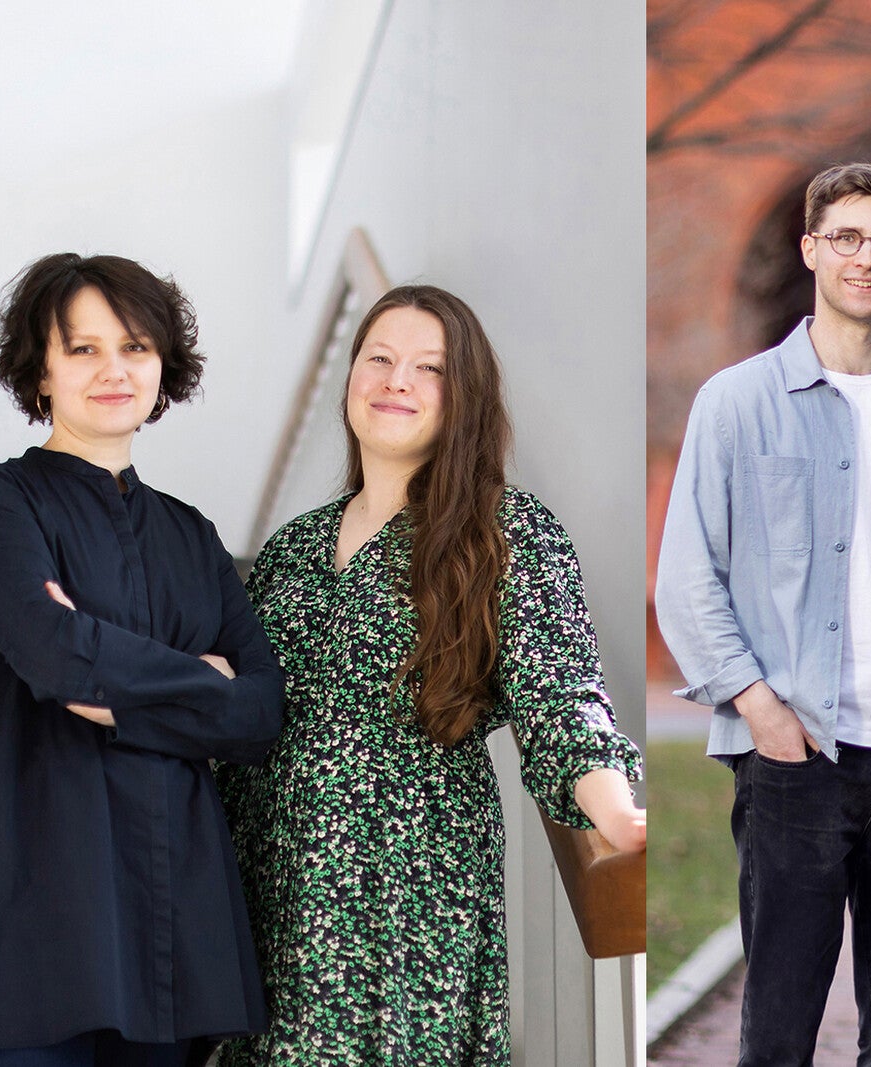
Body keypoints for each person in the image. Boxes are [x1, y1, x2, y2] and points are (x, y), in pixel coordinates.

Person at [214, 284, 644, 1066]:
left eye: (429, 367)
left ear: (465, 395)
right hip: (273, 886)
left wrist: (614, 808)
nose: (396, 380)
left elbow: (560, 692)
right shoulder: (289, 550)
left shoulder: (505, 531)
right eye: (378, 357)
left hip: (409, 891)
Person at [655, 161, 871, 1066]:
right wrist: (761, 710)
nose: (865, 256)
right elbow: (690, 576)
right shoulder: (738, 401)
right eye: (846, 237)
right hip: (796, 754)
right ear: (810, 248)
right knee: (781, 1028)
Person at [0, 253, 284, 1066]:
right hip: (40, 917)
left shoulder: (192, 533)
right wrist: (199, 682)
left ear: (162, 366)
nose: (114, 369)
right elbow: (55, 659)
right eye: (82, 349)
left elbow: (259, 714)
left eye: (136, 347)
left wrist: (115, 682)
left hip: (176, 921)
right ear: (39, 372)